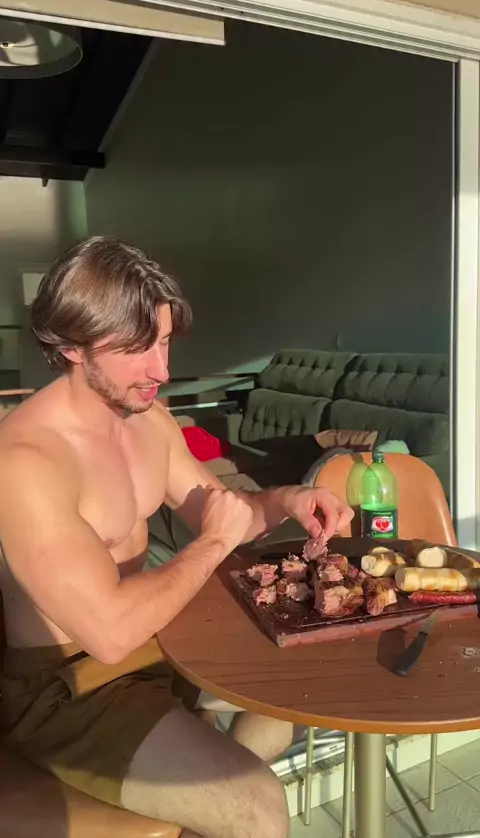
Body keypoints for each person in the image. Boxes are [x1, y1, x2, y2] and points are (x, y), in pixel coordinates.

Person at [0, 236, 353, 838]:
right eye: (136, 349)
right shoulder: (25, 462)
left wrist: (286, 500)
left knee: (289, 698)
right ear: (72, 347)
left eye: (162, 342)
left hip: (156, 646)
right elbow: (109, 632)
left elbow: (222, 512)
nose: (161, 371)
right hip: (69, 688)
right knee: (257, 806)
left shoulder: (149, 420)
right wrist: (211, 545)